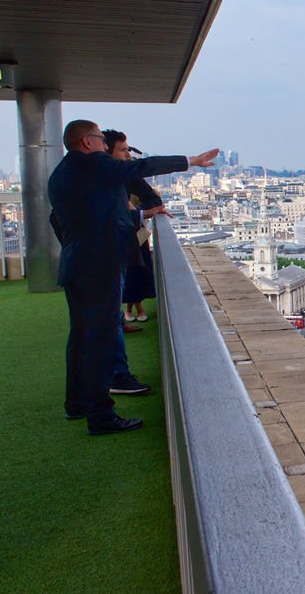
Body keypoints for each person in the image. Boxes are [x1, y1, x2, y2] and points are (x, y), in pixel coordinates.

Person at [49, 119, 217, 435]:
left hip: (76, 264)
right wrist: (191, 161)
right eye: (99, 139)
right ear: (87, 142)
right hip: (100, 266)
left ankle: (77, 404)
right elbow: (142, 167)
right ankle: (100, 416)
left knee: (81, 337)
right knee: (101, 339)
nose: (103, 145)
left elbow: (68, 218)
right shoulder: (94, 165)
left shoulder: (61, 174)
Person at [103, 129, 161, 394]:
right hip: (103, 252)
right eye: (124, 150)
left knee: (106, 313)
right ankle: (115, 377)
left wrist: (137, 211)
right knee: (101, 318)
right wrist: (138, 213)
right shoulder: (101, 179)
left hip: (117, 248)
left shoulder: (124, 177)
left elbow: (151, 198)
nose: (129, 154)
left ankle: (111, 376)